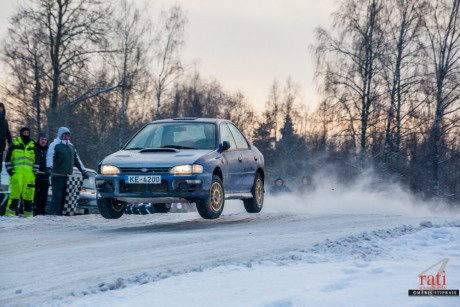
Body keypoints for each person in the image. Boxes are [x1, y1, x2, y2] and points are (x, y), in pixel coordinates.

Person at [46, 127, 87, 215]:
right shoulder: (55, 145)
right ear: (60, 135)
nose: (66, 137)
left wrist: (83, 171)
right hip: (57, 175)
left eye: (68, 135)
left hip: (68, 176)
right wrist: (49, 167)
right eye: (64, 135)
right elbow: (50, 157)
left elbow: (77, 159)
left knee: (66, 195)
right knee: (57, 196)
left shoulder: (70, 146)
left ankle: (63, 213)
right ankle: (54, 212)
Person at [4, 127, 38, 217]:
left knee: (29, 197)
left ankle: (28, 216)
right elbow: (7, 159)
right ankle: (9, 215)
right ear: (21, 133)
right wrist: (10, 171)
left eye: (27, 132)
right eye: (24, 132)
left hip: (29, 175)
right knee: (14, 196)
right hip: (17, 174)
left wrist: (34, 172)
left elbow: (37, 160)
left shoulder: (33, 145)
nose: (26, 134)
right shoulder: (14, 144)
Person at [34, 133, 49, 215]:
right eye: (42, 139)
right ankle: (35, 210)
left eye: (45, 140)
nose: (43, 141)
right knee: (36, 195)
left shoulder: (49, 150)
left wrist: (49, 171)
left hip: (45, 176)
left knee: (44, 196)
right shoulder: (34, 148)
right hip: (36, 176)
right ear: (39, 140)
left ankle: (42, 211)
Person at [0, 102, 13, 176]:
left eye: (1, 108)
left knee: (0, 168)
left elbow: (8, 134)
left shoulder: (5, 122)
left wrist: (11, 144)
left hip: (1, 148)